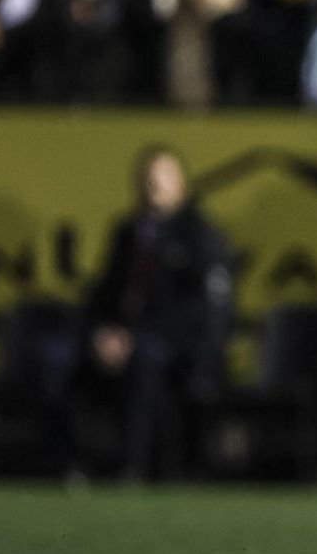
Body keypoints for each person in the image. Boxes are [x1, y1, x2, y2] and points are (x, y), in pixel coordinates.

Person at [82, 146, 233, 478]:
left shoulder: (200, 234)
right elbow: (104, 293)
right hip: (121, 338)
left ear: (181, 183)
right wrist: (100, 333)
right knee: (62, 356)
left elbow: (200, 309)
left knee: (144, 359)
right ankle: (70, 463)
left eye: (163, 175)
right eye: (148, 177)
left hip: (172, 344)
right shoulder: (126, 232)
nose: (154, 184)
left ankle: (133, 467)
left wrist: (133, 338)